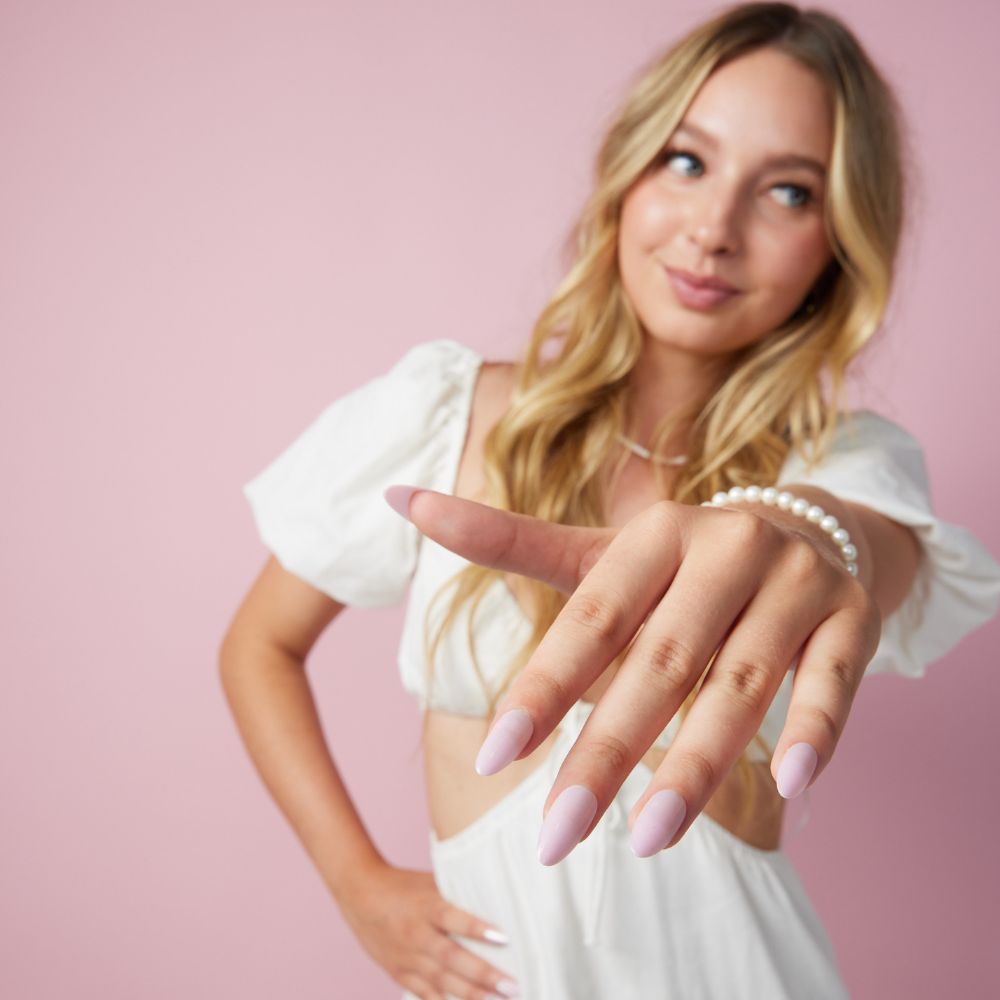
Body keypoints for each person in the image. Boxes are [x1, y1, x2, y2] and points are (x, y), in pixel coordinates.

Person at [220, 3, 1000, 998]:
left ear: (838, 245)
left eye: (788, 191)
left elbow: (853, 547)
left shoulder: (851, 465)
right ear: (626, 173)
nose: (713, 230)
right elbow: (258, 645)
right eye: (686, 161)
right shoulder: (444, 413)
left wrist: (793, 530)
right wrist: (356, 880)